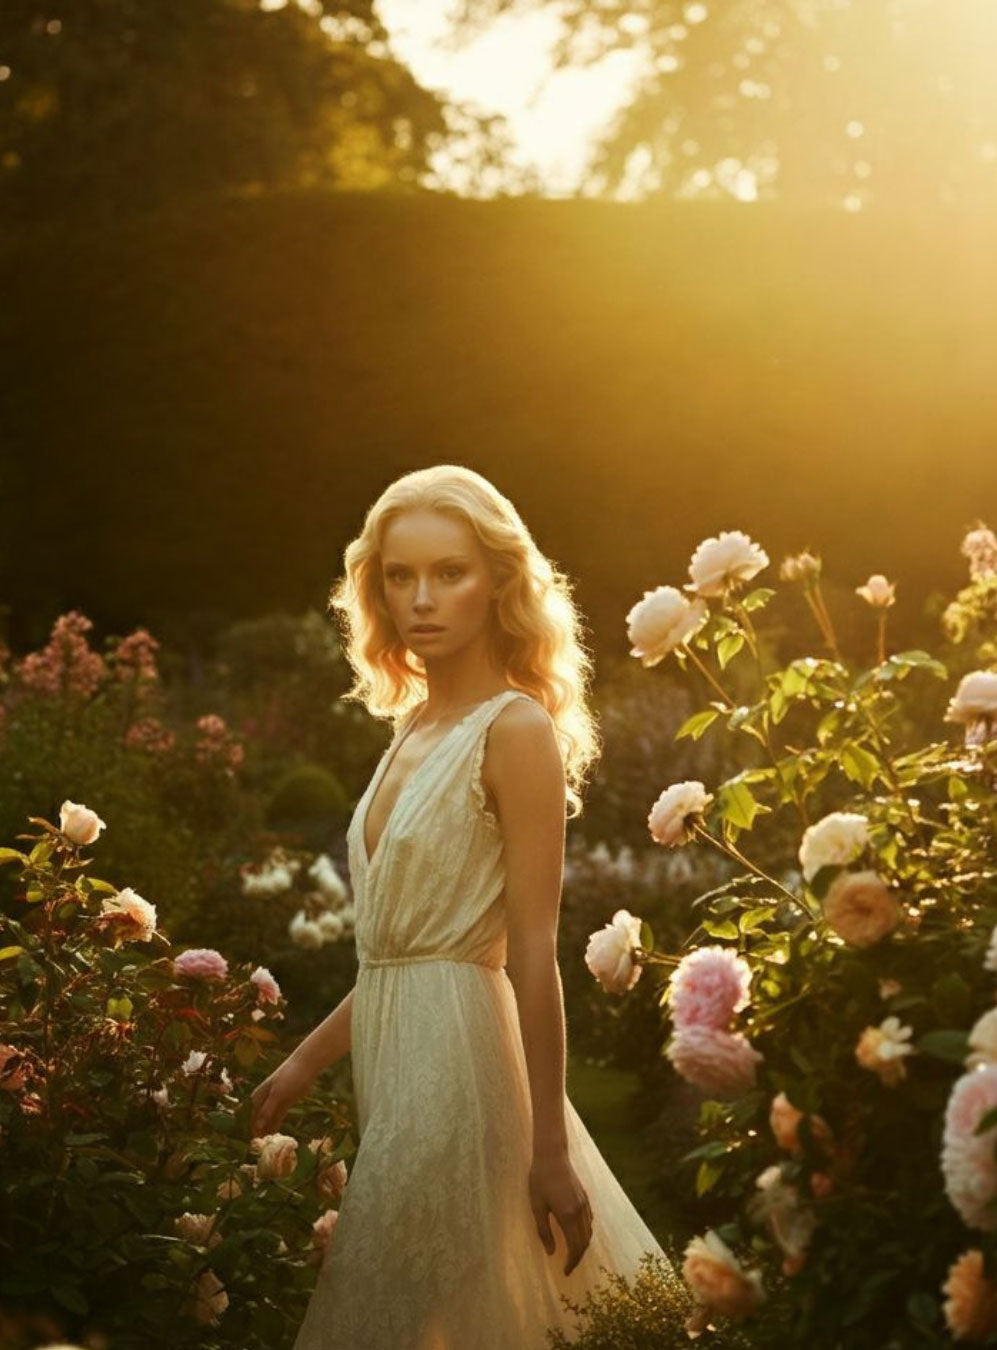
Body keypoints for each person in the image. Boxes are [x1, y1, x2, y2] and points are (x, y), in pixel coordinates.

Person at [248, 464, 675, 1348]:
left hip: (466, 1075)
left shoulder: (513, 731)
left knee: (394, 1312)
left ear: (500, 582)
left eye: (450, 572)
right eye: (399, 576)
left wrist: (548, 1146)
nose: (422, 598)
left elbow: (527, 953)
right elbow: (402, 955)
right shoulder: (410, 728)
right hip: (397, 1062)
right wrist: (300, 1066)